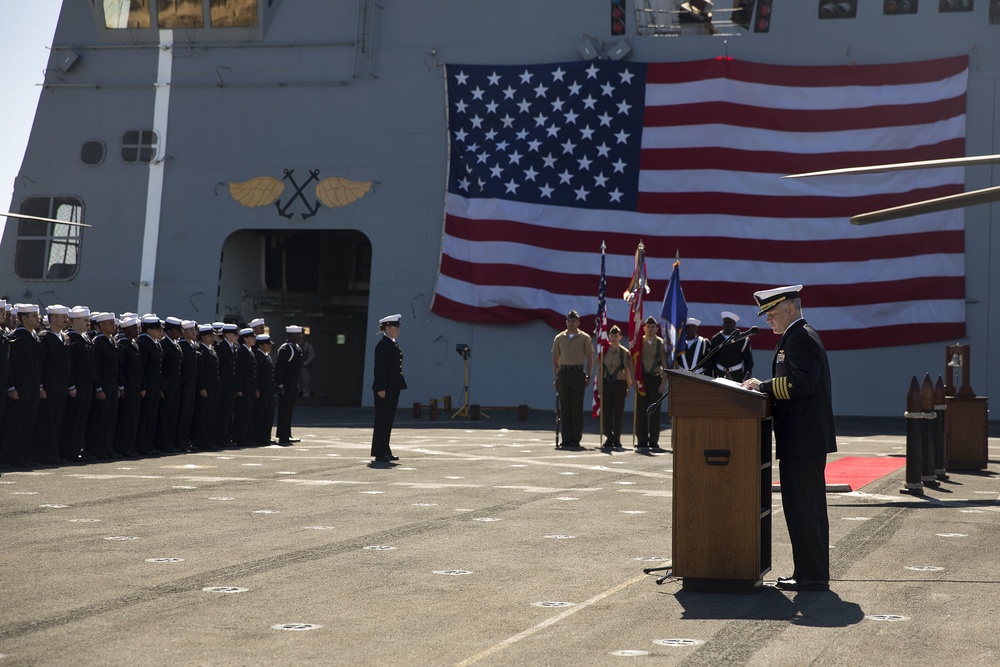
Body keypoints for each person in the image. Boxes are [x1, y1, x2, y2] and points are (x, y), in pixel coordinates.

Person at [742, 284, 836, 592]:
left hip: (804, 439)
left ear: (791, 309)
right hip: (801, 438)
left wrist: (764, 386)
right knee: (802, 507)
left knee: (804, 507)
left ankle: (811, 575)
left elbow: (804, 384)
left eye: (772, 312)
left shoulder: (801, 338)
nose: (768, 319)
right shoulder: (795, 337)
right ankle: (810, 571)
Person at [1, 304, 43, 467]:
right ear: (23, 318)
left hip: (32, 387)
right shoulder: (18, 336)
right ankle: (14, 456)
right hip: (21, 387)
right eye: (33, 316)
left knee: (29, 422)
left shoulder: (33, 336)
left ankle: (25, 455)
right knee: (17, 423)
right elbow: (10, 365)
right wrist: (11, 387)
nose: (37, 318)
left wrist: (39, 386)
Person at [36, 304, 74, 464]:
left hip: (61, 386)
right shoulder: (45, 338)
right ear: (52, 318)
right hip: (49, 386)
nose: (66, 320)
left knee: (57, 420)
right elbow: (41, 364)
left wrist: (70, 385)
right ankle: (45, 453)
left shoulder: (64, 337)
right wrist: (41, 386)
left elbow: (67, 365)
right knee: (47, 420)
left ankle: (53, 451)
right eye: (62, 317)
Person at [551, 310, 593, 449]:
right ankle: (566, 437)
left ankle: (576, 437)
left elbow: (590, 358)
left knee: (576, 406)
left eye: (573, 321)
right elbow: (555, 360)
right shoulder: (559, 338)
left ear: (578, 322)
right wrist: (555, 378)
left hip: (577, 373)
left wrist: (589, 375)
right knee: (565, 407)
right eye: (568, 321)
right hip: (564, 373)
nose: (570, 323)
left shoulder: (584, 338)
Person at [371, 314, 406, 462]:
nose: (398, 330)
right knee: (382, 420)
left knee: (388, 419)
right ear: (387, 328)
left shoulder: (392, 343)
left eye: (398, 327)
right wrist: (380, 387)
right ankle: (380, 451)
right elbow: (379, 369)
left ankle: (385, 449)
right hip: (384, 388)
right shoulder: (383, 345)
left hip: (393, 387)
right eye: (395, 327)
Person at [633, 316, 667, 452]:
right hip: (641, 380)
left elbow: (665, 364)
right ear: (644, 328)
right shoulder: (639, 342)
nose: (651, 329)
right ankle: (641, 440)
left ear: (657, 329)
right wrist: (633, 381)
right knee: (641, 410)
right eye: (648, 326)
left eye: (653, 327)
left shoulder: (661, 343)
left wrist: (663, 383)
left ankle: (653, 440)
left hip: (655, 379)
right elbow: (633, 362)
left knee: (655, 411)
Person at [598, 324, 632, 450]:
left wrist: (629, 386)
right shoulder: (604, 350)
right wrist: (600, 386)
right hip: (606, 383)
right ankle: (608, 436)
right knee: (606, 411)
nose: (613, 338)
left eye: (616, 336)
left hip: (619, 383)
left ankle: (616, 437)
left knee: (618, 411)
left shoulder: (624, 352)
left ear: (620, 337)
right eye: (611, 336)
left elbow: (627, 370)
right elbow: (599, 370)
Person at [273, 325, 304, 445]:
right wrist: (280, 385)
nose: (300, 337)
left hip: (293, 384)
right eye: (298, 335)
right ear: (291, 336)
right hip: (286, 385)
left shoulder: (297, 348)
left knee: (289, 410)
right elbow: (279, 369)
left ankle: (287, 433)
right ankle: (282, 436)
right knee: (284, 410)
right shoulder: (286, 349)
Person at [710, 311, 753, 381]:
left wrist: (746, 376)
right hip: (720, 373)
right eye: (725, 322)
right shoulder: (716, 339)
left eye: (730, 323)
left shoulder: (743, 340)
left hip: (736, 374)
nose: (727, 325)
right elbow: (712, 359)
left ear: (734, 324)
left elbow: (748, 360)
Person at [233, 328, 258, 446]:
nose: (254, 339)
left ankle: (247, 436)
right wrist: (239, 389)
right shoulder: (242, 352)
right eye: (252, 337)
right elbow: (239, 372)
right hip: (244, 389)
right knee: (241, 414)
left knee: (248, 414)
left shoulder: (250, 351)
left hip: (250, 388)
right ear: (246, 339)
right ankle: (240, 437)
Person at [252, 334, 277, 445]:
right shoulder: (258, 356)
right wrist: (256, 388)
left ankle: (266, 436)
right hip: (261, 390)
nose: (270, 347)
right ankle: (260, 437)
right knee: (260, 414)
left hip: (268, 390)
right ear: (261, 345)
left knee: (268, 414)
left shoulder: (266, 355)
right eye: (268, 344)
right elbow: (256, 374)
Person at [299, 334, 316, 399]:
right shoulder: (293, 345)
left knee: (306, 381)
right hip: (295, 367)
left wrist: (306, 362)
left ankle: (306, 396)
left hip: (304, 366)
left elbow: (312, 355)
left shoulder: (306, 345)